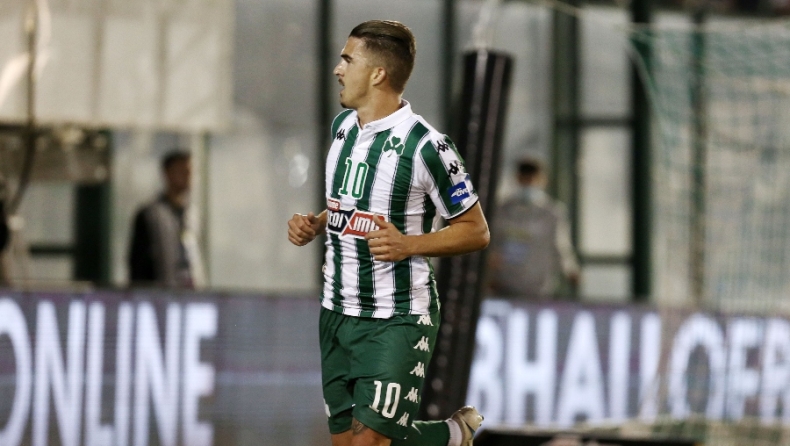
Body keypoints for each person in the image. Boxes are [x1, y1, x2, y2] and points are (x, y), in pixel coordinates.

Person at [287, 20, 489, 446]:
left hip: (396, 318)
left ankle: (451, 435)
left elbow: (476, 230)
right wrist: (317, 222)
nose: (338, 69)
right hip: (335, 312)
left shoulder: (428, 146)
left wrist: (408, 245)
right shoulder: (343, 128)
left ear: (378, 73)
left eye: (348, 60)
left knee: (371, 444)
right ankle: (453, 435)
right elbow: (353, 205)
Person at [487, 156, 580, 298]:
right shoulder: (502, 210)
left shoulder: (552, 213)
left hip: (539, 284)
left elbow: (560, 246)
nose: (529, 184)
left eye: (532, 180)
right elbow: (491, 243)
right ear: (517, 178)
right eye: (525, 179)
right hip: (504, 283)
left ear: (542, 180)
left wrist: (570, 270)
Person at [128, 149, 205, 289]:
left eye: (192, 172)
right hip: (160, 293)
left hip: (190, 293)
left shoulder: (192, 214)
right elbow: (138, 264)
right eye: (183, 172)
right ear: (168, 174)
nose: (189, 177)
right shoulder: (151, 214)